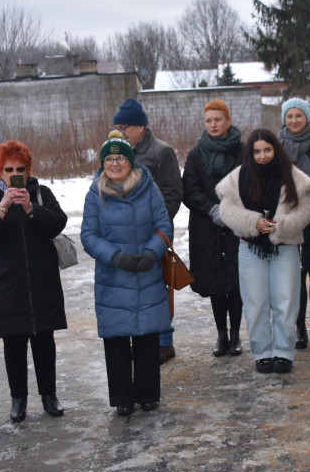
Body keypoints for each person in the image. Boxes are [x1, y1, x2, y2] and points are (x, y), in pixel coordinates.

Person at [0, 140, 69, 423]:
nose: (14, 173)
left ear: (28, 170)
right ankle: (18, 399)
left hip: (41, 280)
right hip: (9, 284)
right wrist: (2, 207)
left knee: (43, 341)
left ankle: (49, 395)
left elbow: (58, 223)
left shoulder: (41, 193)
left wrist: (30, 208)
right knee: (13, 344)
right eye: (8, 169)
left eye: (20, 169)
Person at [81, 131, 172, 416]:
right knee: (117, 339)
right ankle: (122, 397)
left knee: (147, 335)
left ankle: (148, 393)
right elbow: (89, 235)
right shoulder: (95, 194)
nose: (115, 163)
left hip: (147, 271)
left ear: (130, 161)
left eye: (120, 157)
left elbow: (163, 225)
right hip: (113, 277)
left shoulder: (149, 188)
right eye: (109, 158)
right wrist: (115, 256)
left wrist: (151, 252)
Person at [216, 129, 310, 373]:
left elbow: (306, 210)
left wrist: (283, 225)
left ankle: (283, 352)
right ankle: (261, 352)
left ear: (275, 150)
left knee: (285, 302)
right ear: (250, 153)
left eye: (267, 150)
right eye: (257, 151)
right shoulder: (238, 177)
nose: (262, 156)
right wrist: (253, 222)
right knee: (255, 304)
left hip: (285, 246)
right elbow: (226, 210)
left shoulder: (292, 176)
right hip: (250, 249)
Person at [113, 97, 183, 365]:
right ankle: (144, 339)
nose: (122, 131)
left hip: (156, 234)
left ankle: (164, 342)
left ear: (141, 126)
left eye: (126, 126)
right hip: (126, 236)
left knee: (160, 287)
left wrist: (152, 226)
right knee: (136, 288)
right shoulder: (119, 152)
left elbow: (173, 194)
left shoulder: (160, 152)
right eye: (118, 126)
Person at [182, 99, 245, 357]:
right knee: (216, 282)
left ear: (228, 121)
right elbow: (190, 189)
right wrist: (212, 209)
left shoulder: (242, 150)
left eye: (218, 119)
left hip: (237, 224)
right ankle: (221, 334)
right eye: (208, 120)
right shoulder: (196, 153)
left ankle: (236, 334)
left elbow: (250, 183)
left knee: (236, 281)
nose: (213, 124)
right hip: (207, 227)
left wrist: (231, 210)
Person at [277, 97, 310, 350]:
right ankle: (299, 328)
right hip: (287, 219)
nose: (294, 120)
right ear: (284, 119)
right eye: (290, 116)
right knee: (294, 276)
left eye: (299, 115)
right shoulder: (275, 146)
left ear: (307, 117)